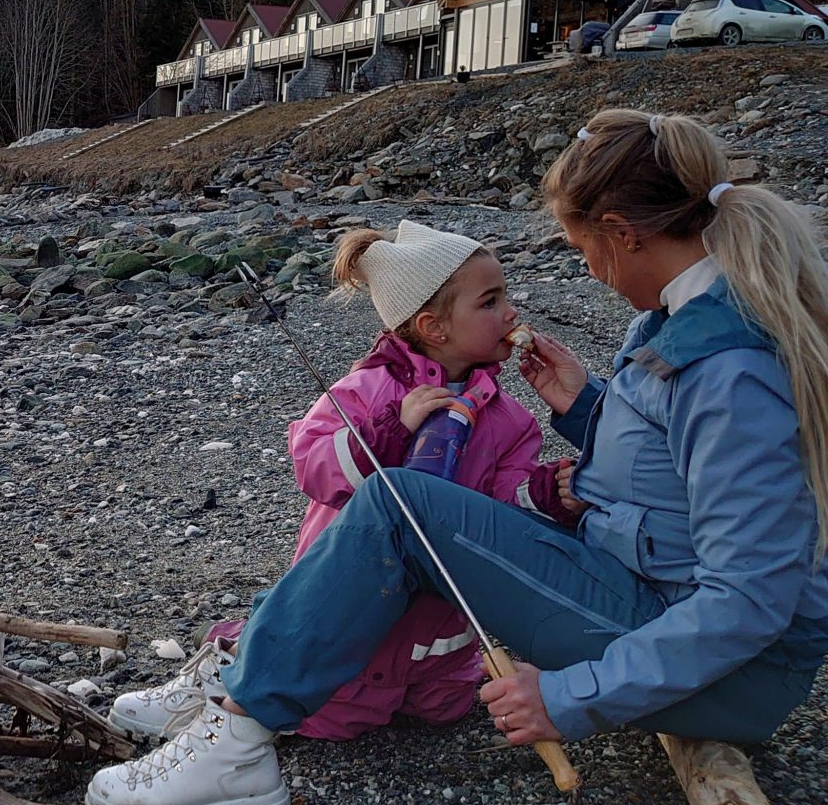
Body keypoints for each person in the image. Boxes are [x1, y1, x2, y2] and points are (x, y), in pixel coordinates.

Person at [88, 109, 828, 805]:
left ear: (622, 234)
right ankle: (243, 689)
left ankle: (240, 743)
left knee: (399, 506)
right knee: (405, 505)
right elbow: (677, 466)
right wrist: (587, 409)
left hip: (733, 673)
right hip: (648, 595)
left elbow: (749, 598)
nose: (592, 272)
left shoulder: (730, 368)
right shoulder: (681, 316)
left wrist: (571, 698)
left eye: (582, 252)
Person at [107, 221, 579, 744]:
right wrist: (390, 428)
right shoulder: (366, 391)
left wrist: (544, 492)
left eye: (505, 296)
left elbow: (499, 505)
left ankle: (369, 676)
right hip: (359, 611)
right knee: (331, 719)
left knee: (444, 709)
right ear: (433, 326)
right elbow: (313, 466)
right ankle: (237, 661)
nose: (511, 312)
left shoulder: (509, 418)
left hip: (440, 631)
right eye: (490, 302)